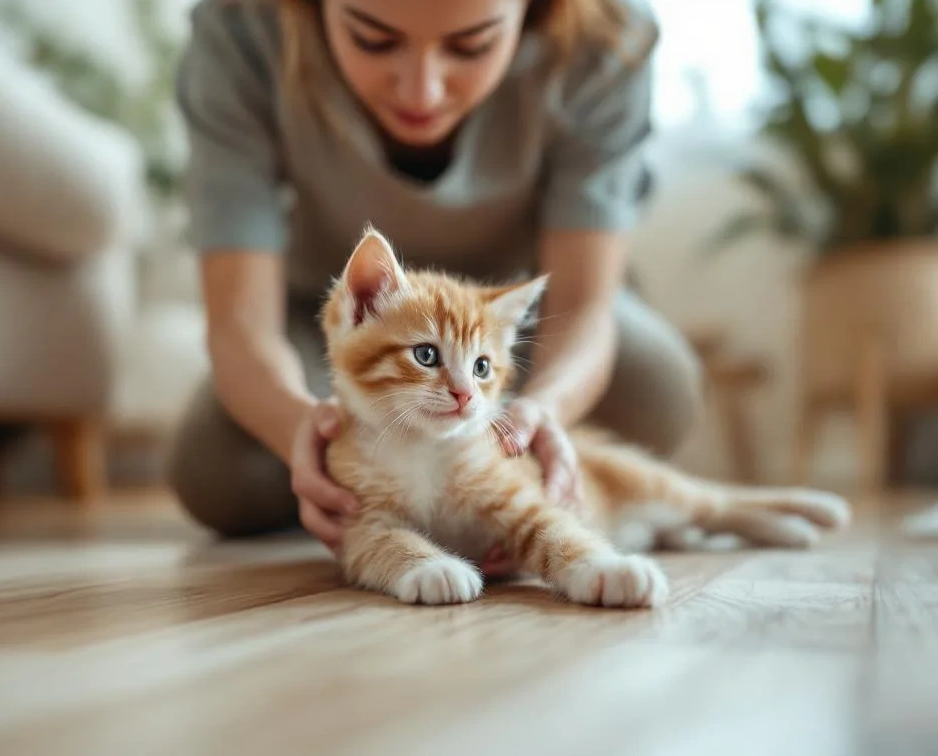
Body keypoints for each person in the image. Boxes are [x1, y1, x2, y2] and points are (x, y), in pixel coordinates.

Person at [168, 0, 703, 568]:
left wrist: (543, 410)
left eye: (472, 45)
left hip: (507, 316)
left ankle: (462, 491)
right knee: (220, 472)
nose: (421, 92)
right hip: (339, 324)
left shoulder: (608, 35)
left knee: (654, 390)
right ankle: (388, 499)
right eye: (373, 39)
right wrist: (305, 431)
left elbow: (582, 303)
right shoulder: (242, 25)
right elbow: (240, 321)